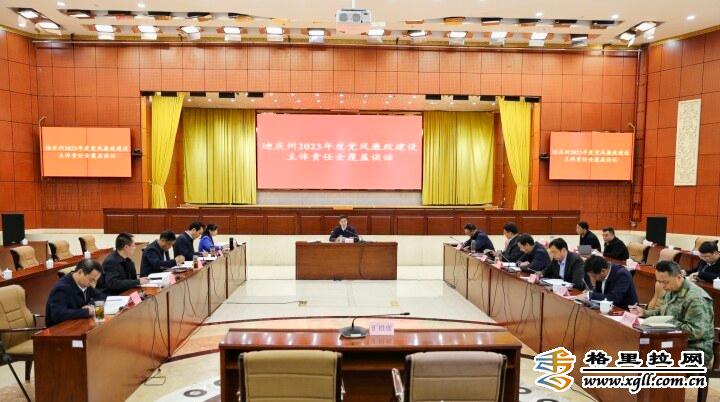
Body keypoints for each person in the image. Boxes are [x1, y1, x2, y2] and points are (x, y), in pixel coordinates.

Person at [630, 261, 714, 366]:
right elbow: (664, 312)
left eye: (665, 282)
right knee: (638, 351)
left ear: (679, 277)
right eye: (659, 282)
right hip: (672, 341)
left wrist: (668, 322)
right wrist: (644, 312)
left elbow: (697, 332)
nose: (662, 286)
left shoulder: (696, 299)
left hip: (694, 348)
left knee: (653, 361)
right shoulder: (671, 289)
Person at [45, 259, 103, 327]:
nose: (93, 285)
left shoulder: (85, 283)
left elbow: (99, 296)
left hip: (78, 323)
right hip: (59, 329)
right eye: (91, 280)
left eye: (95, 281)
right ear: (80, 272)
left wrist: (91, 305)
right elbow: (58, 315)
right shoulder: (62, 288)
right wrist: (86, 312)